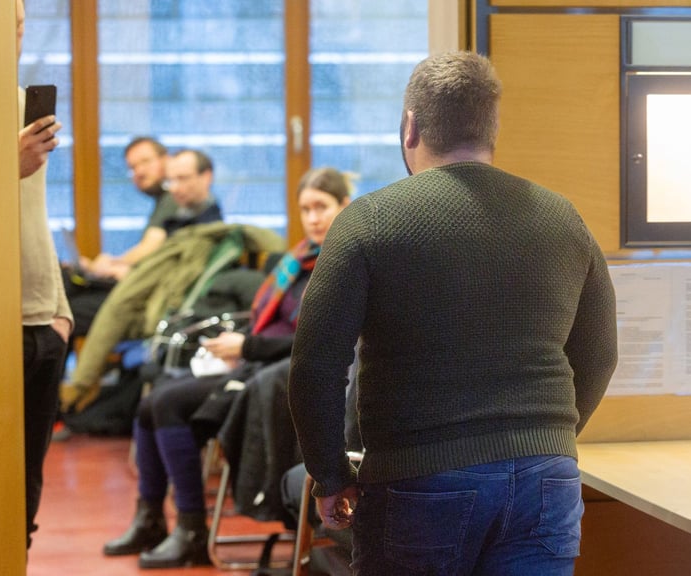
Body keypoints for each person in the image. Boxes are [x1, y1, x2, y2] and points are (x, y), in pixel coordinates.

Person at [287, 51, 619, 575]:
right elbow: (599, 354)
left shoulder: (369, 222)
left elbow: (314, 368)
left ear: (411, 127)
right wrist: (546, 438)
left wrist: (330, 475)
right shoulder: (563, 217)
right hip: (548, 479)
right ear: (491, 127)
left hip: (421, 479)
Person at [101, 167, 351, 569]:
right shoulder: (299, 259)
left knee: (166, 404)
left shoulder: (344, 262)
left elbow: (326, 342)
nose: (313, 218)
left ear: (346, 207)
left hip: (288, 377)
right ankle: (150, 519)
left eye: (322, 207)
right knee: (150, 403)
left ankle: (191, 530)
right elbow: (271, 324)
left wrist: (248, 346)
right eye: (305, 209)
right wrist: (240, 347)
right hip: (259, 362)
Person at [58, 147, 223, 414]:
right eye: (173, 181)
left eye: (183, 179)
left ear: (206, 177)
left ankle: (62, 402)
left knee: (65, 310)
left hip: (154, 310)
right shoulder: (178, 214)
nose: (176, 188)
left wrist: (121, 268)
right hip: (144, 295)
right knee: (66, 288)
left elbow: (164, 269)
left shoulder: (206, 227)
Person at [15, 0, 74, 550]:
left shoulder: (20, 108)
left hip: (42, 318)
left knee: (30, 472)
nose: (14, 35)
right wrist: (5, 165)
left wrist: (60, 309)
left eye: (20, 25)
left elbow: (36, 215)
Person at [63, 136, 177, 345]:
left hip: (147, 294)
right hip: (137, 283)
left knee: (64, 312)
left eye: (145, 162)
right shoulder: (164, 201)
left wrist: (112, 264)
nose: (139, 172)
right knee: (65, 289)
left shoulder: (173, 199)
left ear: (166, 159)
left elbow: (150, 247)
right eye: (133, 167)